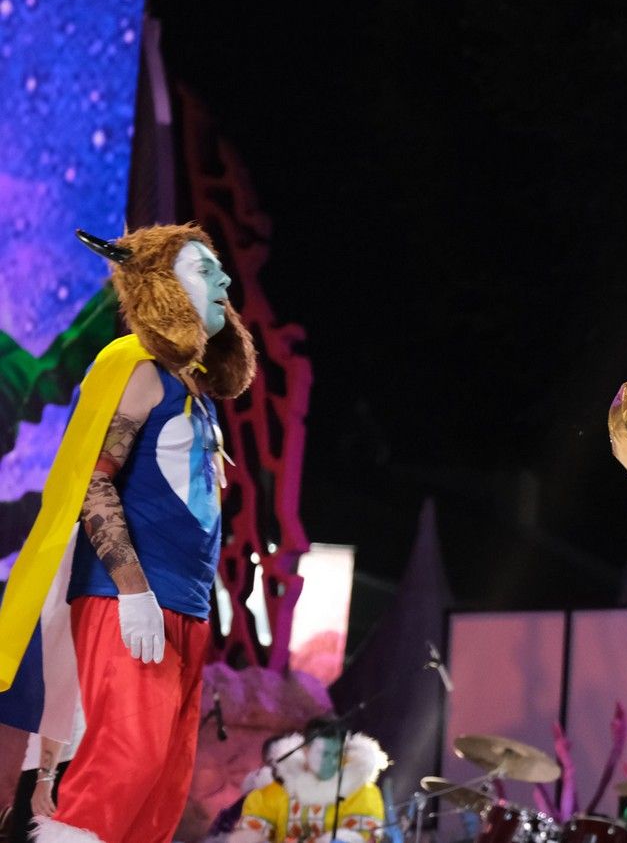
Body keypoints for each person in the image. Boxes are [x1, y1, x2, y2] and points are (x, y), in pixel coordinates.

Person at [0, 224, 256, 843]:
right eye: (204, 270)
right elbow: (94, 483)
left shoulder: (196, 388)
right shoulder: (136, 366)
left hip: (185, 609)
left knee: (162, 788)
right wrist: (134, 592)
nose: (223, 281)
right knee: (124, 764)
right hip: (130, 599)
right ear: (163, 285)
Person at [231, 718, 389, 842]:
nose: (332, 762)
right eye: (324, 754)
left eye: (336, 754)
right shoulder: (274, 793)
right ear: (306, 751)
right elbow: (250, 833)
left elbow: (364, 836)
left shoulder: (361, 792)